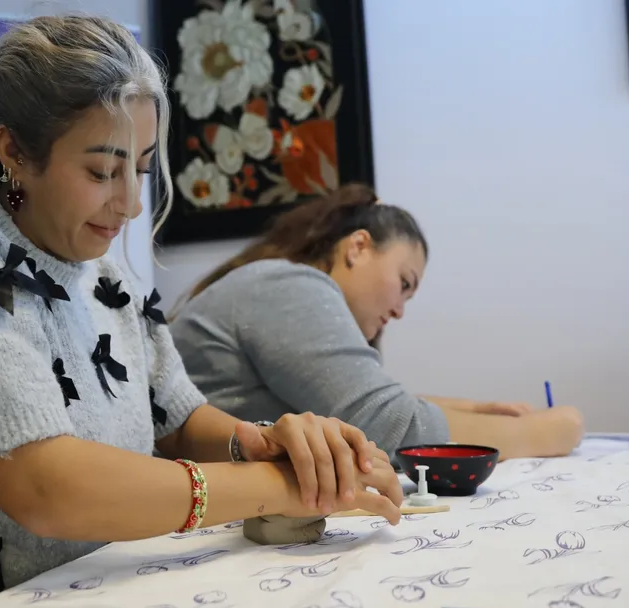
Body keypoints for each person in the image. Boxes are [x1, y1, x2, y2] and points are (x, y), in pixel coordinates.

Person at [0, 17, 404, 608]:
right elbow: (46, 489)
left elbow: (179, 420)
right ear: (14, 152)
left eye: (139, 169)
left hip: (88, 599)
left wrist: (267, 444)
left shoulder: (108, 276)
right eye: (101, 172)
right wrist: (278, 486)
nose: (132, 204)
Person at [169, 183, 584, 461]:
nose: (400, 310)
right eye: (403, 284)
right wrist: (546, 432)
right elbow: (387, 426)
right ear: (358, 247)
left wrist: (473, 410)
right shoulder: (291, 286)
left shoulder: (278, 285)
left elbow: (366, 403)